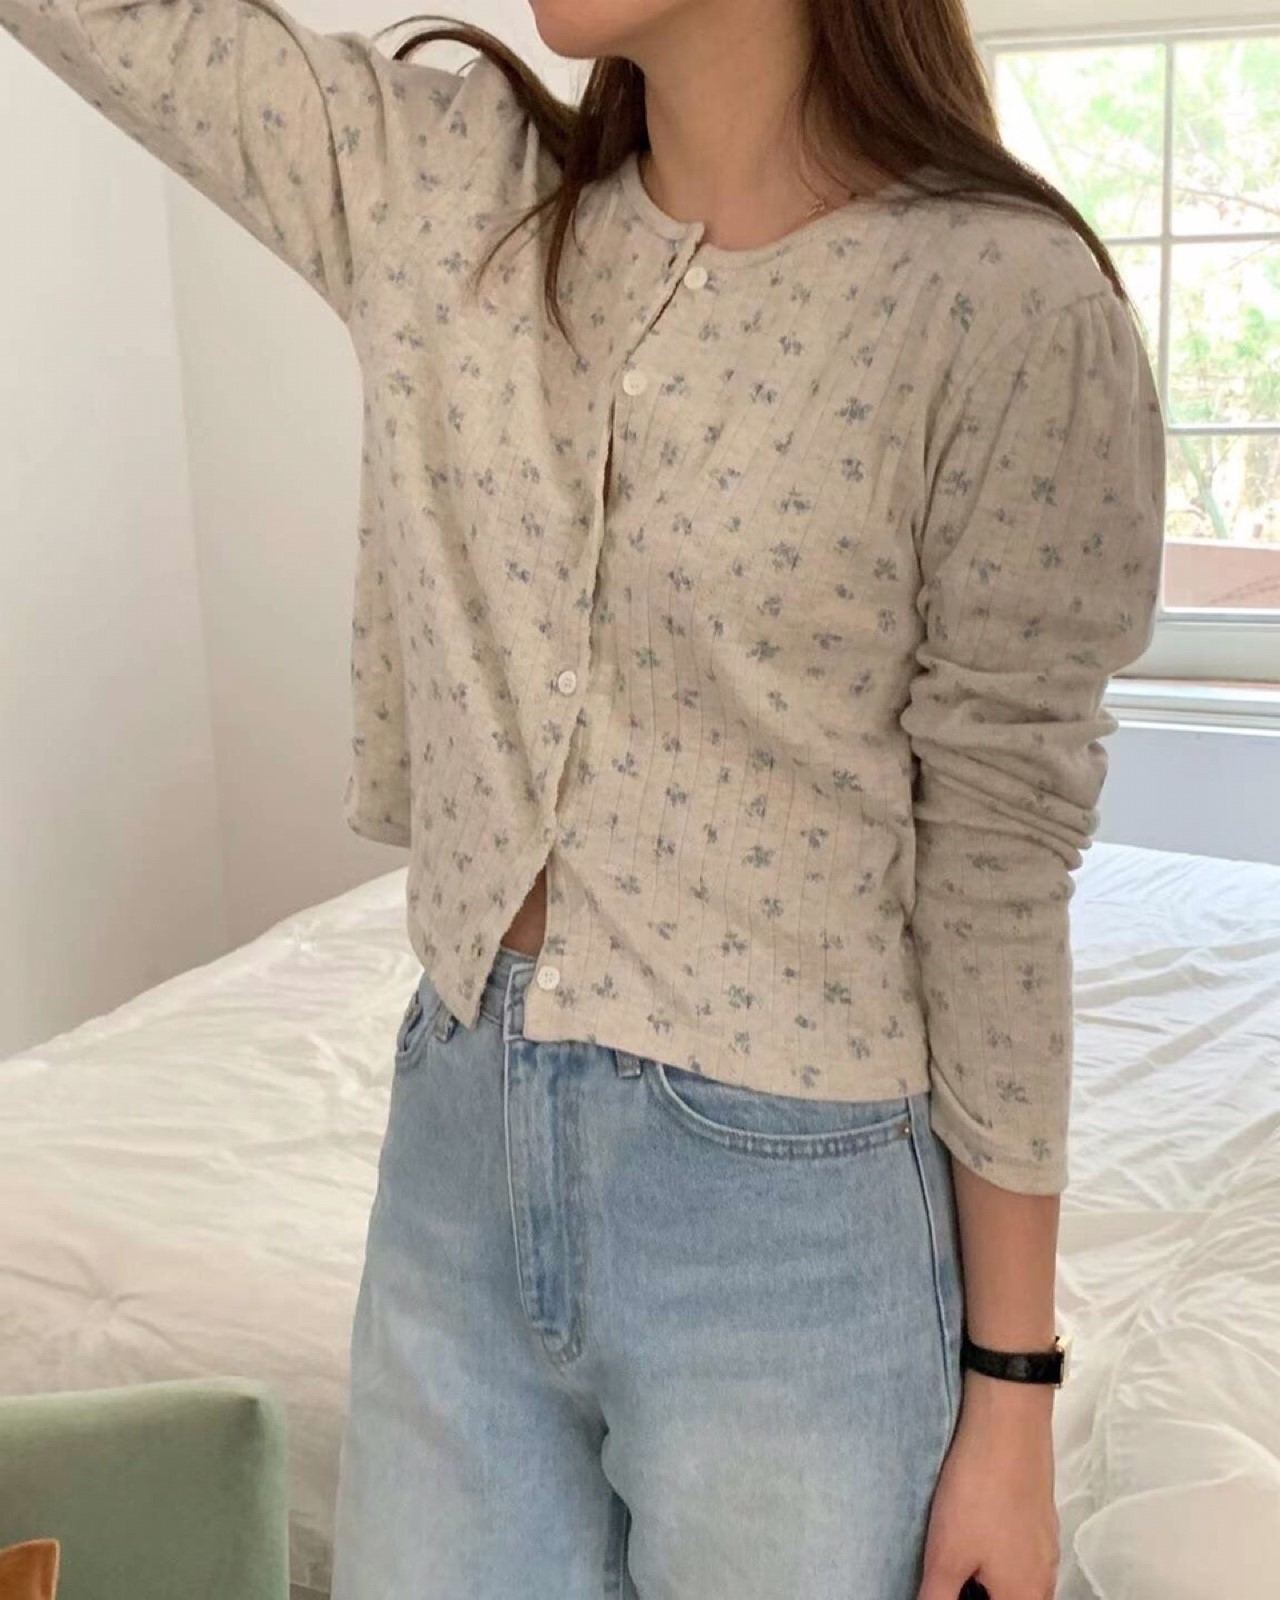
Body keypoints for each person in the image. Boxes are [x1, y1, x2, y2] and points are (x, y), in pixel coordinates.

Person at [1, 0, 1166, 1594]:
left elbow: (998, 872)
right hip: (457, 1155)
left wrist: (1012, 1398)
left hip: (798, 1215)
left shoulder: (1002, 301)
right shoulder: (443, 197)